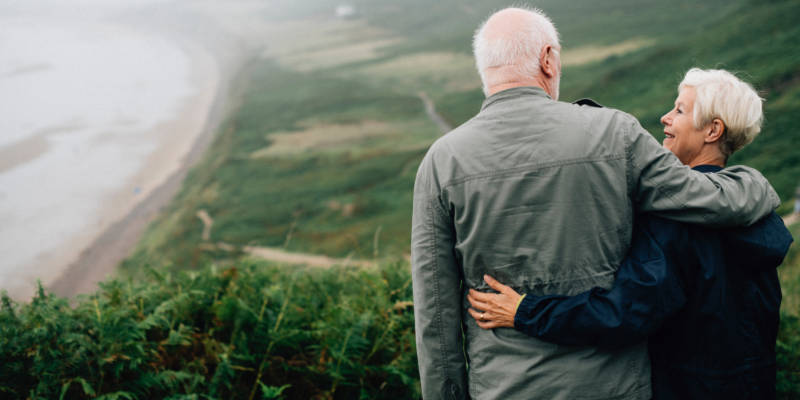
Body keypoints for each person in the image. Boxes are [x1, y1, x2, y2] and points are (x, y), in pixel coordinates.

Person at [411, 6, 781, 399]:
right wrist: (754, 183)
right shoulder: (615, 134)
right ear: (548, 59)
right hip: (617, 387)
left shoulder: (441, 161)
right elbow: (706, 198)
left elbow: (435, 313)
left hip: (503, 388)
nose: (666, 118)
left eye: (679, 110)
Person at [466, 68, 793, 399]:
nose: (665, 118)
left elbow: (623, 314)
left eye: (680, 110)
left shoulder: (675, 220)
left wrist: (525, 312)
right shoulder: (759, 215)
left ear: (713, 130)